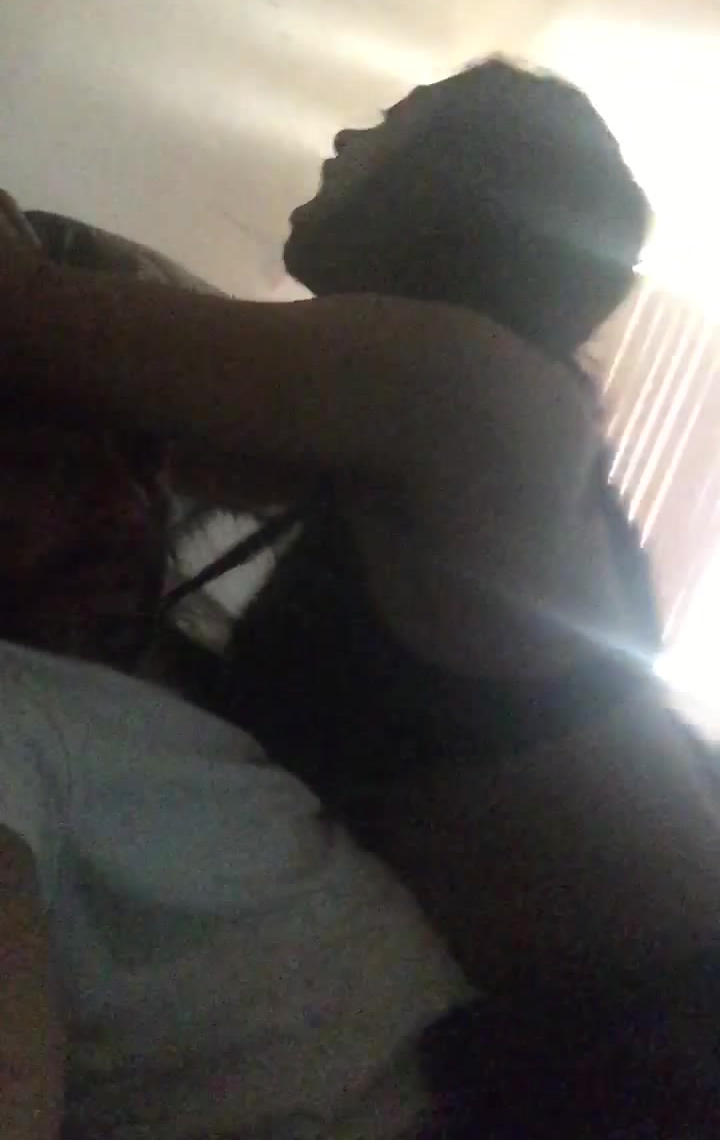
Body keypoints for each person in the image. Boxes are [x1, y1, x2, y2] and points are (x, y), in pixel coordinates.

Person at [1, 57, 720, 1137]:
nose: (345, 140)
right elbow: (123, 395)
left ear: (469, 182)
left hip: (671, 1032)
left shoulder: (464, 387)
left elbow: (30, 318)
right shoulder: (426, 421)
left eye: (394, 120)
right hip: (573, 1024)